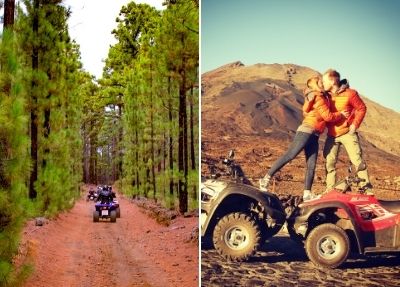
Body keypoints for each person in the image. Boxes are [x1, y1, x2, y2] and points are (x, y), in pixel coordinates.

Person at [260, 76, 349, 200]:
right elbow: (327, 116)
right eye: (320, 82)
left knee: (311, 165)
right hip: (306, 131)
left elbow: (332, 90)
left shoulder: (323, 96)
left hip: (315, 134)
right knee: (290, 155)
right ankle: (265, 179)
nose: (323, 83)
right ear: (315, 85)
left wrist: (341, 85)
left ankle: (307, 194)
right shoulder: (318, 97)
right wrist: (341, 115)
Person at [321, 69, 372, 194]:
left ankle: (367, 191)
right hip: (331, 135)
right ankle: (330, 191)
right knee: (329, 163)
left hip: (347, 133)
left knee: (357, 161)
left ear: (332, 81)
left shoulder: (350, 93)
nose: (323, 84)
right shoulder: (325, 95)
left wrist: (355, 125)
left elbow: (361, 108)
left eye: (324, 81)